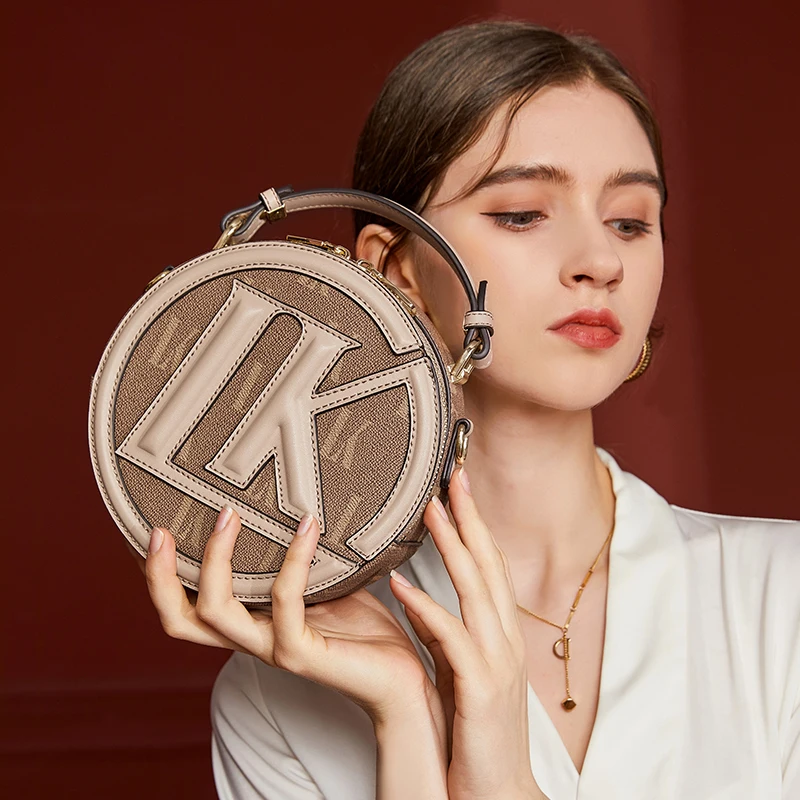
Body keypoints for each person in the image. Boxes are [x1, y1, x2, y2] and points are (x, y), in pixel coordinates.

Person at [143, 20, 800, 800]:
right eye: (522, 214)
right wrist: (405, 713)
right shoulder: (279, 698)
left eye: (630, 221)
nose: (600, 262)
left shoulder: (780, 601)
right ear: (397, 269)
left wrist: (502, 777)